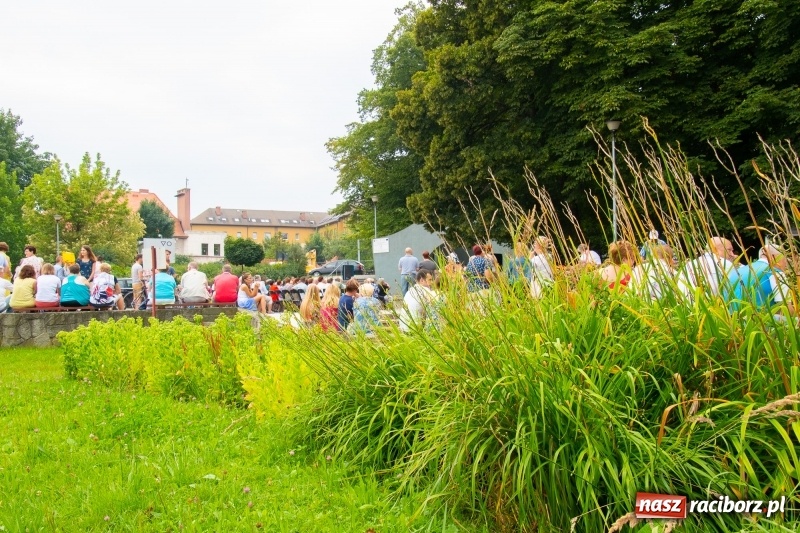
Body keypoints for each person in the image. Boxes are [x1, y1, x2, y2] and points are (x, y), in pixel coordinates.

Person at [725, 243, 795, 316]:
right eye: (784, 259)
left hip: (733, 320)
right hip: (761, 320)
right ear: (774, 257)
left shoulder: (736, 271)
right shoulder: (775, 272)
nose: (786, 264)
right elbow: (785, 308)